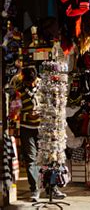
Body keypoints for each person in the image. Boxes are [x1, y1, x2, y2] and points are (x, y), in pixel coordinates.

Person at [17, 67, 67, 201]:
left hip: (44, 127)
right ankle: (34, 189)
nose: (31, 84)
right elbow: (14, 111)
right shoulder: (18, 88)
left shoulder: (44, 85)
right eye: (28, 83)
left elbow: (52, 105)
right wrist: (27, 115)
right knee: (31, 160)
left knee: (49, 158)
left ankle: (52, 188)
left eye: (32, 81)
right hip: (26, 128)